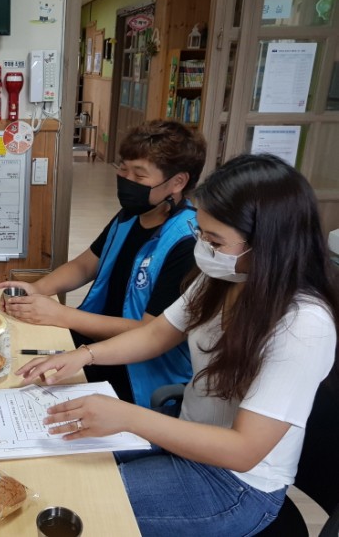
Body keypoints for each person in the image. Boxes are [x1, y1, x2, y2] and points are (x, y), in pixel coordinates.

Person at [17, 154, 338, 536]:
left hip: (236, 484)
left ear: (267, 245)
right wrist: (81, 356)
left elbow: (244, 449)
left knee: (76, 504)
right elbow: (157, 333)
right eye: (201, 232)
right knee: (49, 460)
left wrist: (128, 417)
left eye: (214, 239)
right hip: (187, 437)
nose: (202, 246)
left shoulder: (302, 324)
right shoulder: (224, 277)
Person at [0, 120, 206, 407]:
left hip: (141, 378)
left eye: (139, 174)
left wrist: (62, 315)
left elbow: (151, 332)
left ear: (178, 181)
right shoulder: (131, 214)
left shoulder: (187, 243)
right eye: (123, 168)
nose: (126, 178)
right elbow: (85, 265)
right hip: (94, 350)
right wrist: (36, 289)